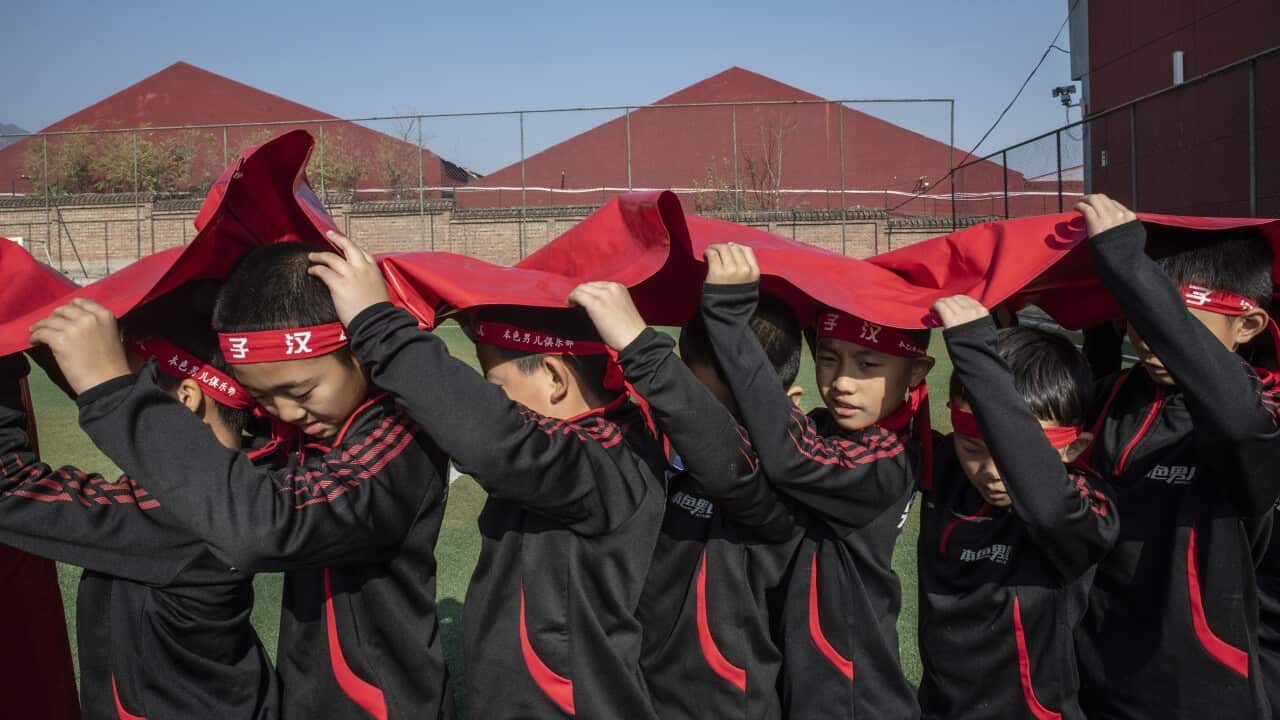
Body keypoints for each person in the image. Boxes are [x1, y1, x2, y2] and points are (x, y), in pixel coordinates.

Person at [45, 243, 454, 719]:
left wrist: (112, 392)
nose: (284, 414)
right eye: (262, 398)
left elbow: (268, 528)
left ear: (359, 353)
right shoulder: (312, 424)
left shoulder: (398, 439)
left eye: (300, 392)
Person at [309, 231, 667, 719]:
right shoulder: (593, 444)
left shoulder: (604, 460)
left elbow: (494, 437)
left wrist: (379, 327)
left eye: (495, 386)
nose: (488, 396)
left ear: (556, 380)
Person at [695, 242, 932, 718]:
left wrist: (728, 321)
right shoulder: (828, 425)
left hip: (849, 691)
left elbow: (792, 459)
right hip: (797, 673)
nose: (843, 381)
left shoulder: (887, 459)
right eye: (829, 358)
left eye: (868, 365)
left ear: (916, 372)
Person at [1073, 194, 1280, 718]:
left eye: (1173, 324)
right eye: (1141, 318)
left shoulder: (1265, 410)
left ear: (1249, 326)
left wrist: (1127, 264)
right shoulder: (1115, 394)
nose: (1151, 342)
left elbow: (1236, 420)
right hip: (1094, 677)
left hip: (1203, 692)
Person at [569, 279, 806, 718]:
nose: (690, 428)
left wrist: (640, 346)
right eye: (688, 404)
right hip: (640, 688)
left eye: (718, 412)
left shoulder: (785, 488)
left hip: (726, 705)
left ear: (790, 408)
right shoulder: (658, 454)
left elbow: (725, 460)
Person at [916, 294, 1117, 719]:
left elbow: (1048, 508)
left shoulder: (1087, 503)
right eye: (973, 446)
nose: (991, 470)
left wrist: (975, 350)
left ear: (1074, 448)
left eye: (1014, 456)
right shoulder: (946, 467)